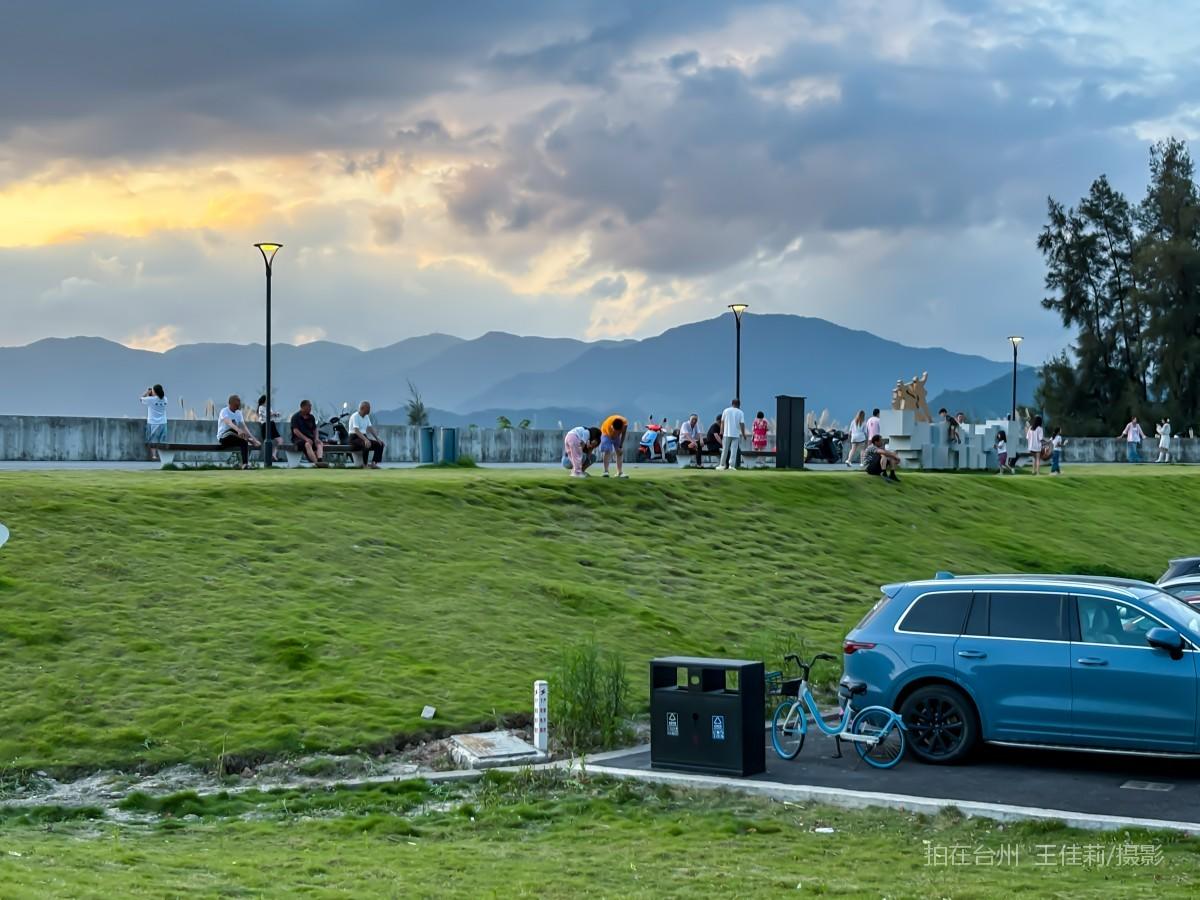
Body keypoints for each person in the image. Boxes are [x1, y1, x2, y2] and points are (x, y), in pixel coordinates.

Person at [216, 394, 261, 469]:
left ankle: (245, 464)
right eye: (238, 401)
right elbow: (229, 423)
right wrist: (238, 430)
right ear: (232, 403)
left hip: (234, 438)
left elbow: (245, 427)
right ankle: (249, 440)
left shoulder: (239, 413)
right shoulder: (224, 411)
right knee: (232, 430)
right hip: (223, 438)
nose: (239, 403)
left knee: (244, 441)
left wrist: (255, 439)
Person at [290, 400, 328, 467]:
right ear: (303, 407)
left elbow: (315, 429)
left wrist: (316, 438)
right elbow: (295, 431)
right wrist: (306, 439)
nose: (310, 408)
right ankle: (316, 463)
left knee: (319, 443)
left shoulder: (311, 417)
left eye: (310, 406)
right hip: (298, 439)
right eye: (309, 406)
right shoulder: (295, 417)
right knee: (307, 444)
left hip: (310, 438)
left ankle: (320, 460)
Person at [348, 400, 385, 468]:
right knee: (367, 444)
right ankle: (365, 465)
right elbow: (356, 431)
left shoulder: (366, 417)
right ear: (362, 408)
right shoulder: (355, 416)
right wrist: (366, 440)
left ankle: (374, 463)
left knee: (380, 444)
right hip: (354, 438)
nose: (369, 410)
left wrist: (377, 439)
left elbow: (370, 428)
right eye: (368, 408)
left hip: (363, 437)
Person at [718, 399, 748, 471]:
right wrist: (744, 434)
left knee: (725, 450)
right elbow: (742, 424)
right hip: (735, 434)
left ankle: (722, 465)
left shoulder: (726, 410)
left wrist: (721, 431)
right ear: (739, 405)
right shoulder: (740, 412)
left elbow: (722, 422)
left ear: (732, 403)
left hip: (726, 433)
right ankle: (731, 466)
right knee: (733, 450)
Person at [141, 384, 169, 460]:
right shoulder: (165, 399)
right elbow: (158, 398)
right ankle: (163, 456)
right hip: (163, 422)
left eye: (152, 390)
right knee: (162, 440)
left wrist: (147, 392)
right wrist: (151, 394)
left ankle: (154, 455)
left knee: (153, 440)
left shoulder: (151, 399)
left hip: (153, 422)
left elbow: (141, 399)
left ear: (155, 392)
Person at [257, 394, 284, 463]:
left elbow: (271, 415)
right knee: (268, 441)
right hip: (266, 425)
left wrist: (276, 414)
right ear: (264, 400)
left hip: (271, 424)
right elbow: (266, 415)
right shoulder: (261, 407)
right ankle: (269, 457)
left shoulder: (269, 407)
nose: (269, 401)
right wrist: (274, 414)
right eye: (267, 400)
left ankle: (274, 455)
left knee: (280, 440)